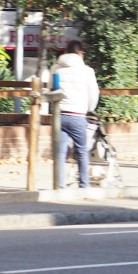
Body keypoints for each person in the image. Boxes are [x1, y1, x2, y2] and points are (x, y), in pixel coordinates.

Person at [50, 40, 100, 188]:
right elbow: (93, 93)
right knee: (82, 151)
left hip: (59, 115)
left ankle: (59, 185)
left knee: (60, 152)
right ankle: (84, 185)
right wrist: (89, 108)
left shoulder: (55, 68)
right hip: (77, 115)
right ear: (80, 53)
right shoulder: (87, 71)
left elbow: (50, 90)